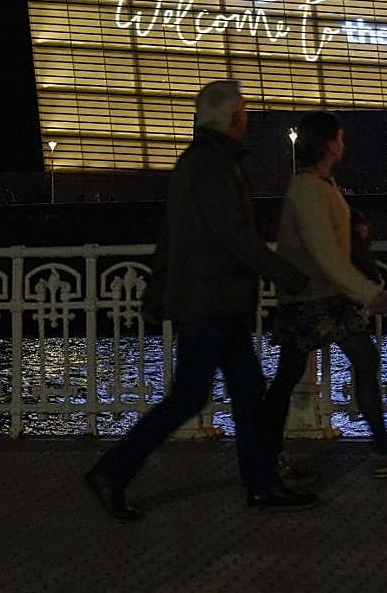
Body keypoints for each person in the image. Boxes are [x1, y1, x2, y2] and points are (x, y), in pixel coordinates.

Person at [84, 80, 316, 521]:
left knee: (248, 393)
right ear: (232, 118)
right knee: (190, 397)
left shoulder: (197, 162)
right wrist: (284, 271)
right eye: (244, 110)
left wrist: (158, 288)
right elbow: (235, 236)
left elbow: (171, 234)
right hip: (213, 302)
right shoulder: (214, 167)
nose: (247, 116)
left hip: (210, 300)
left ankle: (262, 484)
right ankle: (112, 471)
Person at [260, 110, 387, 479]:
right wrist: (369, 292)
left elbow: (328, 243)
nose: (343, 143)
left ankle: (267, 454)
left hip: (317, 296)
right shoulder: (308, 188)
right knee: (353, 362)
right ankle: (382, 448)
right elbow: (324, 251)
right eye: (338, 137)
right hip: (315, 298)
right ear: (326, 144)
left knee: (296, 374)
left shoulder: (317, 183)